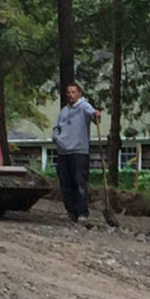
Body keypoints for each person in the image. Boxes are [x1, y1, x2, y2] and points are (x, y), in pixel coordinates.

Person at [52, 83, 101, 223]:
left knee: (80, 183)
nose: (71, 95)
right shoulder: (64, 111)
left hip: (79, 151)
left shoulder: (84, 106)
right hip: (63, 152)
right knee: (66, 184)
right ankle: (71, 212)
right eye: (68, 92)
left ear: (79, 93)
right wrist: (56, 138)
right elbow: (56, 127)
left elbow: (92, 115)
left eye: (73, 92)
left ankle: (82, 213)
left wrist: (95, 115)